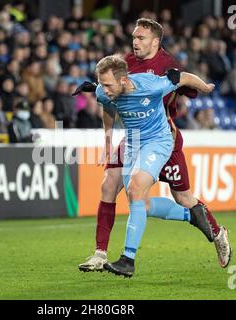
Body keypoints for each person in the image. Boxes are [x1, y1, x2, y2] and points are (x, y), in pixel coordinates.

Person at [77, 18, 231, 273]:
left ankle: (216, 234)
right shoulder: (125, 63)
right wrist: (107, 136)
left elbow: (183, 83)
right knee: (110, 185)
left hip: (163, 137)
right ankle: (100, 254)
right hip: (133, 137)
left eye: (141, 38)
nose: (135, 42)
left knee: (183, 198)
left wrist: (202, 86)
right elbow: (108, 98)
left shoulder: (167, 64)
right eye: (134, 37)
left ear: (155, 41)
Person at [93, 55, 215, 277]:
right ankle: (193, 216)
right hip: (133, 143)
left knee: (135, 189)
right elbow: (106, 107)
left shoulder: (151, 84)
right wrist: (108, 140)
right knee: (141, 204)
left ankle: (127, 260)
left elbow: (184, 77)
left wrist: (205, 87)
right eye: (101, 84)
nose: (103, 89)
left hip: (158, 141)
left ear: (123, 80)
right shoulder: (103, 91)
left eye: (107, 84)